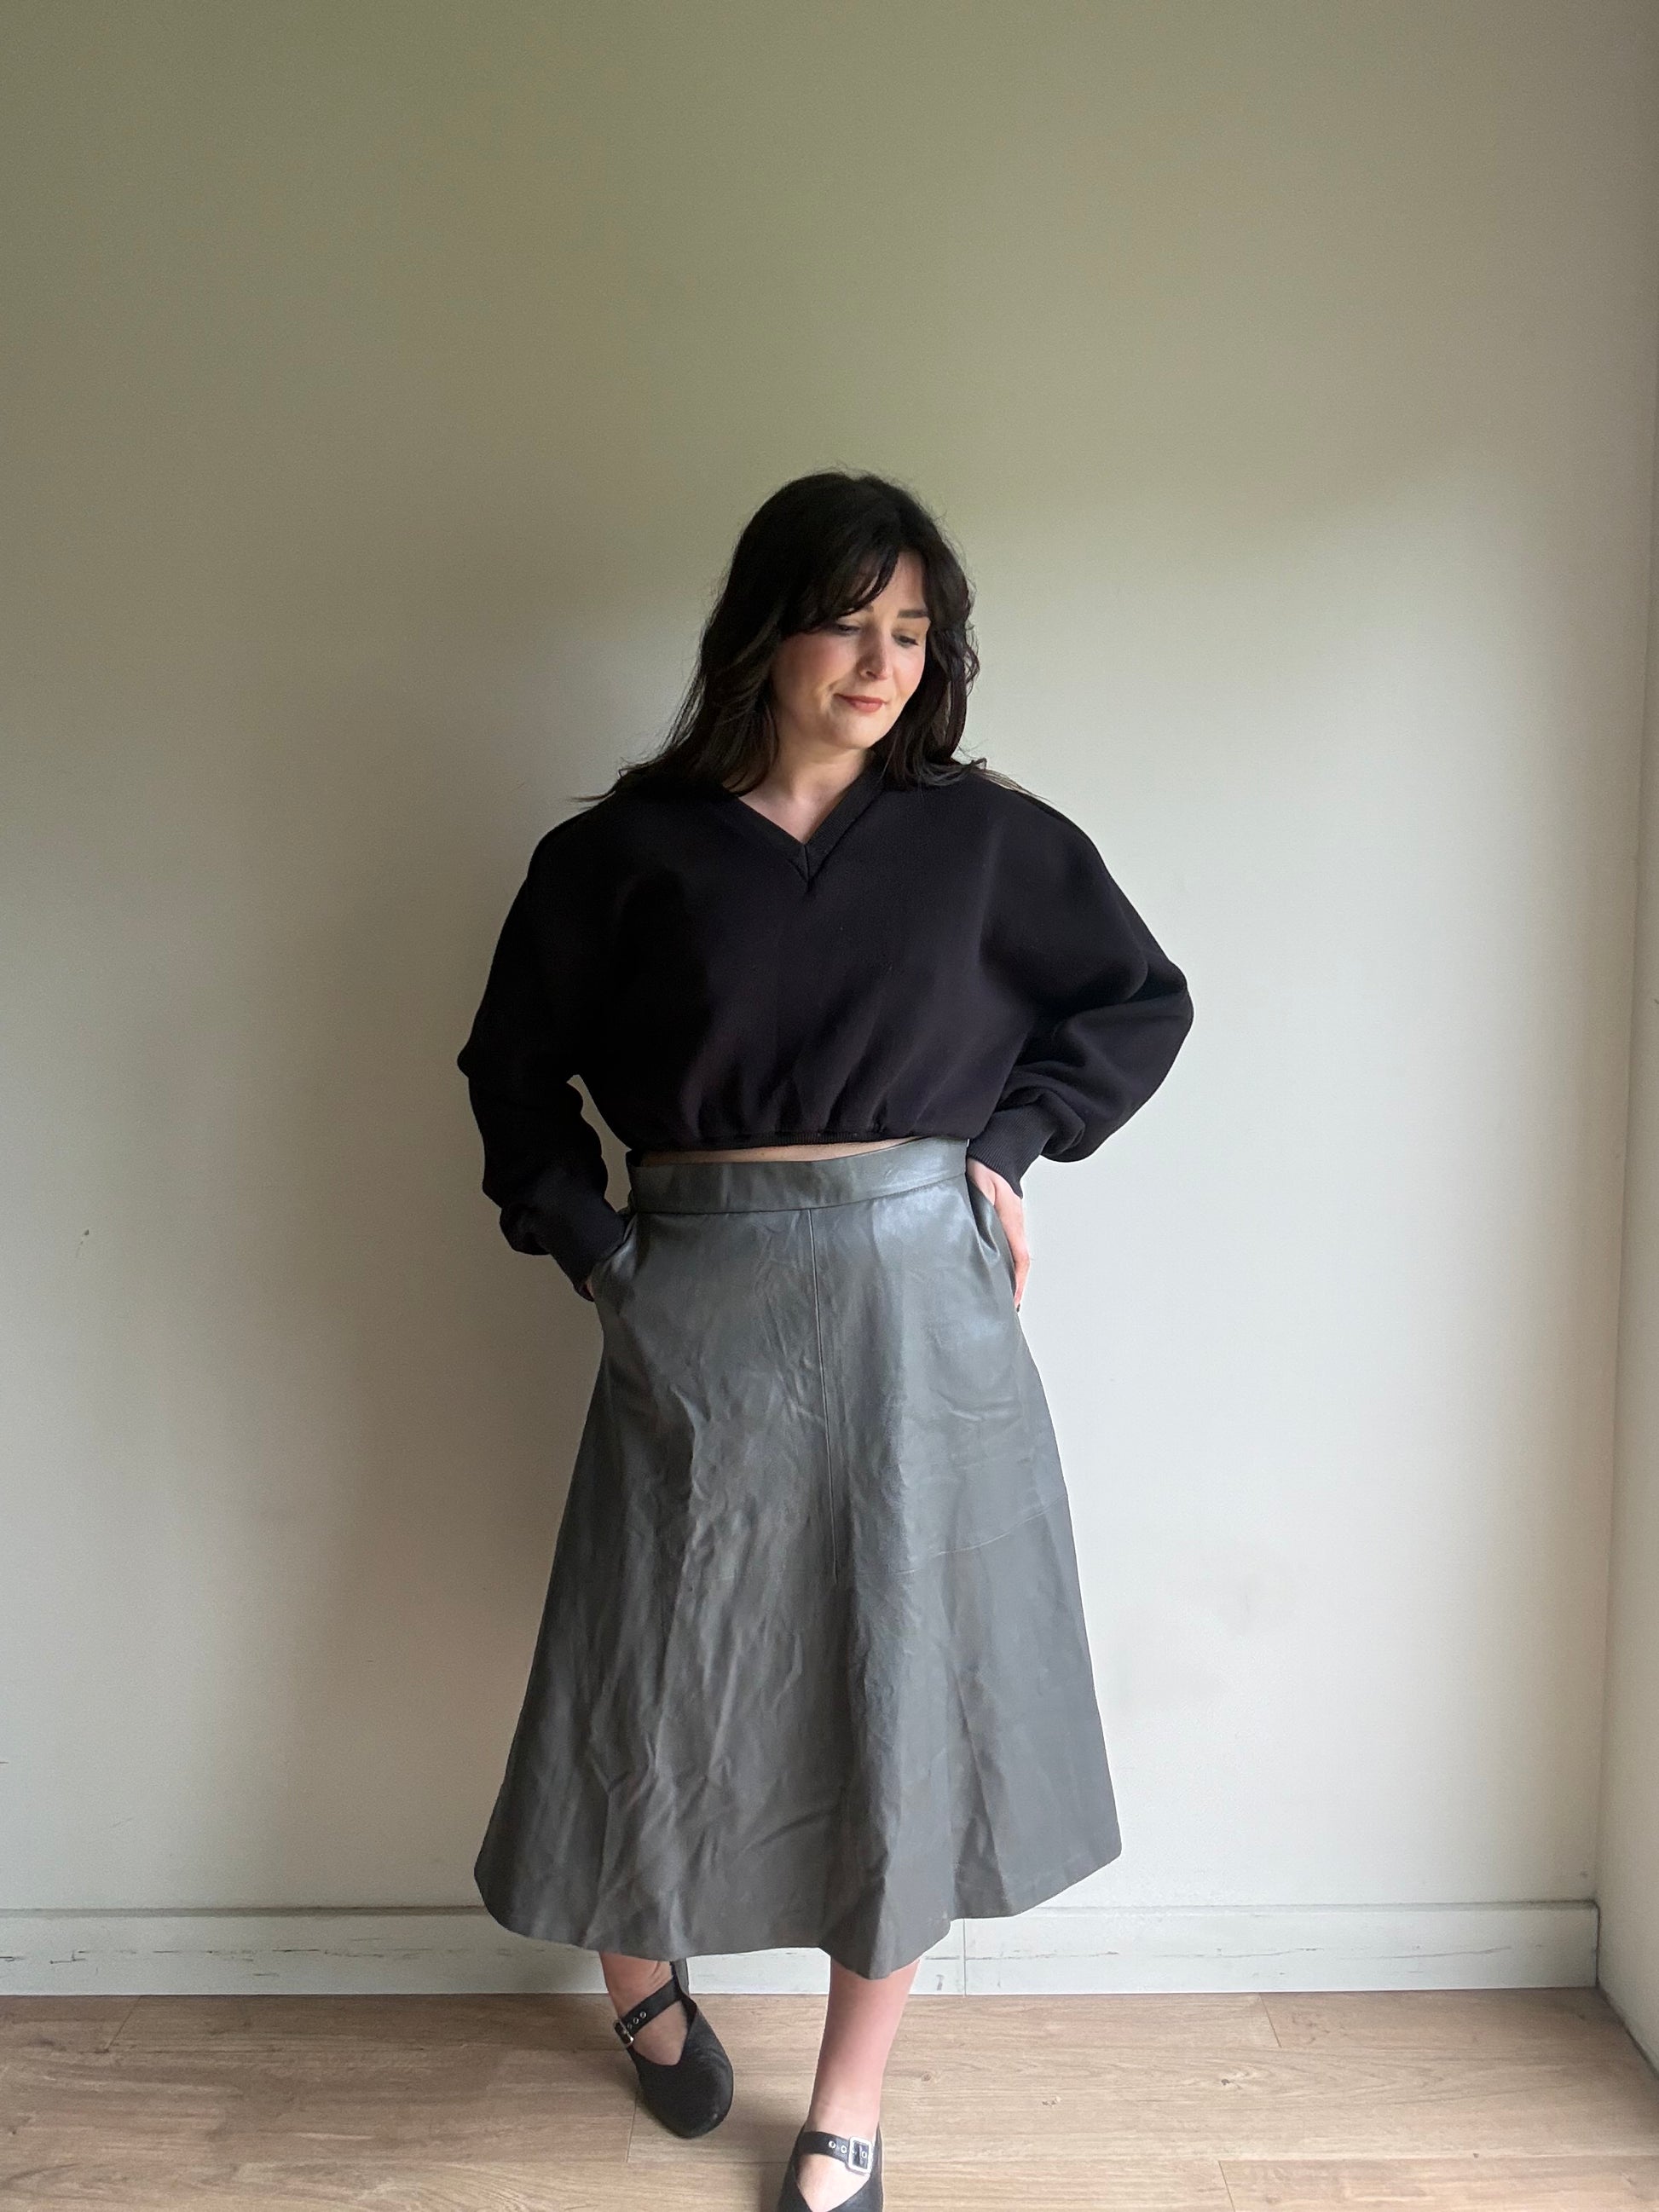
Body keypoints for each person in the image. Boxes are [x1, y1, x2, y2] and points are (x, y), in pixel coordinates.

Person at [456, 470, 1194, 2212]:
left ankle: (849, 2100)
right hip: (690, 1294)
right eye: (849, 625)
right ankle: (641, 1980)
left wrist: (1008, 1151)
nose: (881, 664)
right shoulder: (620, 854)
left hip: (917, 1302)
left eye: (913, 633)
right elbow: (510, 1079)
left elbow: (1135, 1000)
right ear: (764, 632)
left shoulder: (984, 840)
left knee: (901, 1682)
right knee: (652, 1662)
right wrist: (603, 1255)